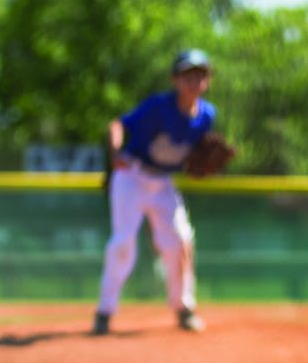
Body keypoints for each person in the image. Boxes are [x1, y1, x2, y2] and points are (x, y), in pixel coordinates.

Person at [93, 50, 218, 336]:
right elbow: (117, 124)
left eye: (201, 74)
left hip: (162, 182)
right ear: (175, 79)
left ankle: (184, 307)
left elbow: (195, 151)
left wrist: (199, 162)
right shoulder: (158, 107)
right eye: (188, 74)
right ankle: (104, 311)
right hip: (132, 176)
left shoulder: (207, 116)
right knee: (123, 243)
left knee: (181, 241)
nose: (194, 80)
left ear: (208, 80)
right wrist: (114, 154)